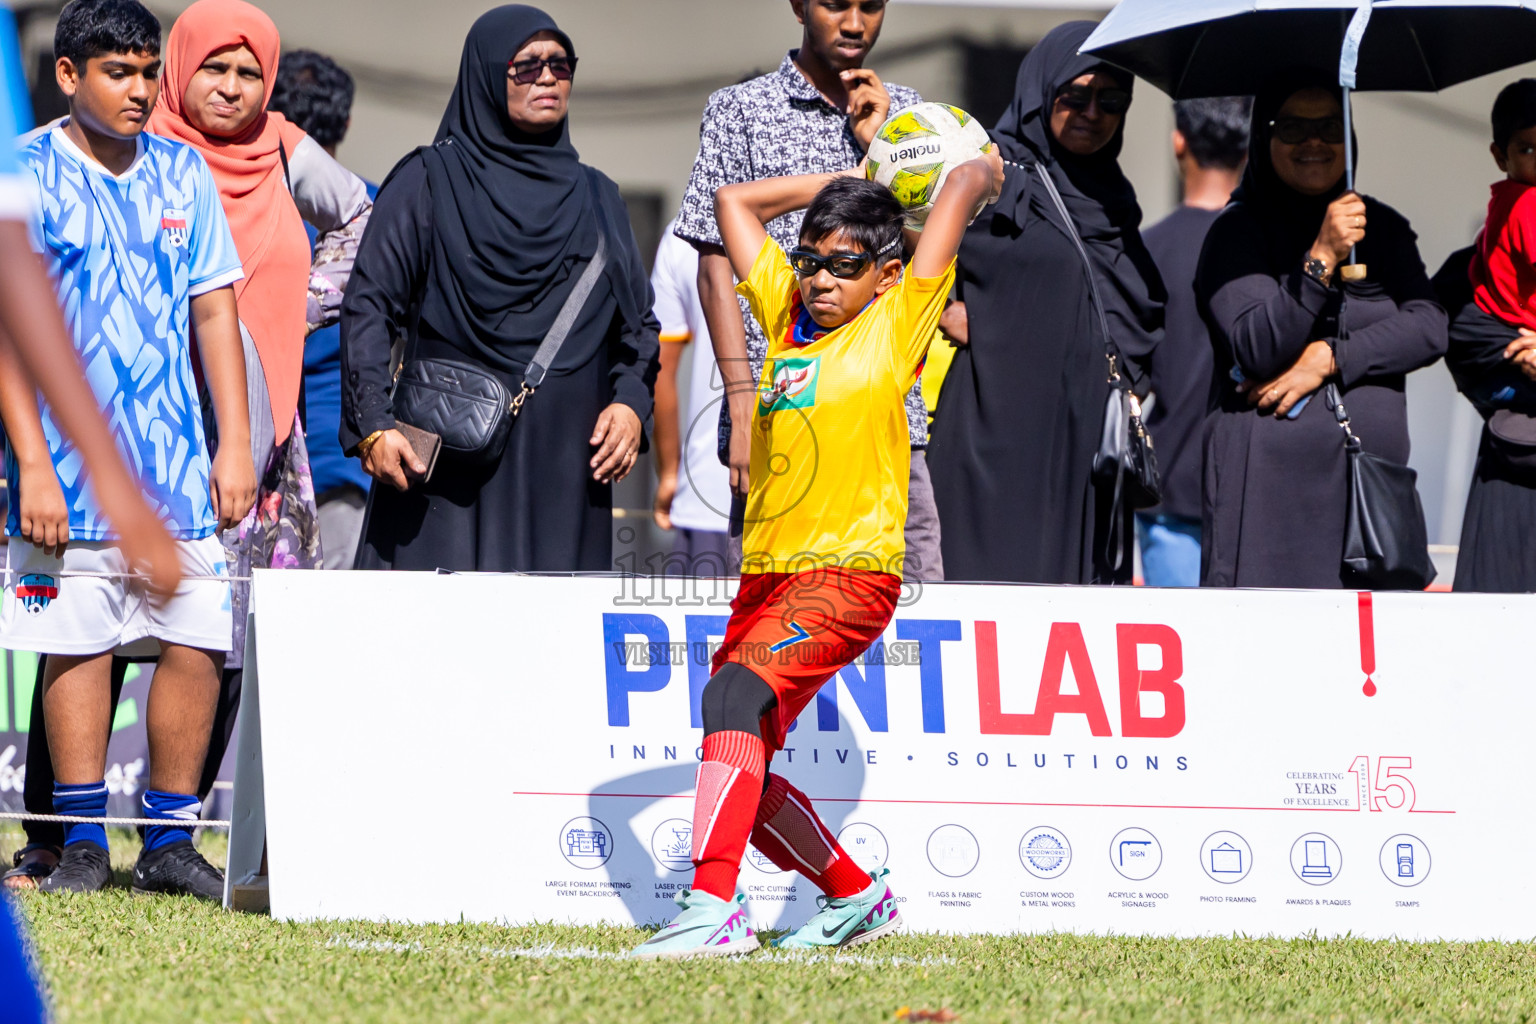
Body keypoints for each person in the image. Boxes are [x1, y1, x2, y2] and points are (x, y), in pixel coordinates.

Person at [632, 150, 1004, 958]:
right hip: (767, 575)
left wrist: (970, 174)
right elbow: (733, 204)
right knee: (743, 758)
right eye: (811, 261)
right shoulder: (785, 315)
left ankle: (710, 908)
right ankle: (853, 897)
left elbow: (965, 186)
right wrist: (839, 185)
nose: (823, 279)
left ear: (886, 273)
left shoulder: (895, 320)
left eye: (845, 265)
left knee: (732, 698)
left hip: (850, 575)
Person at [0, 0, 257, 898]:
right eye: (119, 72)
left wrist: (234, 445)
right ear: (68, 76)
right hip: (62, 469)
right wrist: (30, 459)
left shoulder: (184, 173)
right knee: (77, 642)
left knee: (193, 639)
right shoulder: (20, 169)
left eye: (149, 72)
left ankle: (169, 841)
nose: (142, 90)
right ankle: (76, 842)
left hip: (178, 465)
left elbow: (216, 312)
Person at [145, 0, 373, 798]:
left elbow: (361, 221)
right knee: (106, 624)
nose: (233, 87)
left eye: (250, 72)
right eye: (216, 67)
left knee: (234, 625)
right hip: (145, 420)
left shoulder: (282, 149)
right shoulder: (138, 150)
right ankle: (61, 837)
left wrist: (292, 305)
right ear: (181, 67)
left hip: (257, 439)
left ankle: (185, 823)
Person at [341, 6, 658, 573]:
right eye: (526, 65)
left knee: (551, 649)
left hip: (564, 474)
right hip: (441, 473)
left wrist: (631, 406)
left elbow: (638, 330)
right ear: (487, 75)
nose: (547, 78)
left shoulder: (599, 198)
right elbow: (368, 307)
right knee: (430, 645)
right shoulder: (428, 182)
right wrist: (374, 426)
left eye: (561, 65)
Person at [676, 0, 945, 581]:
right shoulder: (739, 111)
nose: (854, 23)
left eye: (870, 6)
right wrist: (743, 398)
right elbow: (714, 261)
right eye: (834, 4)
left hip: (888, 421)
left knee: (914, 637)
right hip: (779, 415)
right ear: (798, 6)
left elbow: (933, 257)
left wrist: (883, 150)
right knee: (774, 630)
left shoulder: (911, 118)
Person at [927, 22, 1164, 585]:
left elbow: (1136, 311)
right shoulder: (991, 174)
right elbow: (899, 249)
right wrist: (943, 305)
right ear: (1041, 92)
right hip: (997, 439)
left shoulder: (1113, 200)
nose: (1093, 112)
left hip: (1086, 447)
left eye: (1111, 100)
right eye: (1075, 96)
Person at [1196, 73, 1447, 588]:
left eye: (1330, 127)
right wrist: (1321, 257)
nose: (1314, 141)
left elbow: (1429, 327)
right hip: (1271, 506)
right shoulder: (1236, 232)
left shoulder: (1381, 227)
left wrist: (1331, 358)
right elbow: (1257, 346)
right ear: (1264, 139)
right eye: (1292, 127)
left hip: (1369, 501)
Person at [269, 49, 379, 571]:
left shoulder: (247, 211)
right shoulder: (373, 212)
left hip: (251, 461)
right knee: (326, 634)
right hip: (347, 464)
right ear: (348, 120)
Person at [1136, 97, 1250, 587]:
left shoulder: (1146, 251)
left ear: (1178, 140)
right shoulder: (1265, 253)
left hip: (1171, 481)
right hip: (1251, 484)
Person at [1436, 81, 1536, 592]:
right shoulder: (1529, 208)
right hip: (1514, 428)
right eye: (1528, 149)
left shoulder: (1504, 206)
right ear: (1500, 155)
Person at [651, 218, 732, 572]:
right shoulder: (833, 218)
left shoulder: (685, 230)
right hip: (818, 498)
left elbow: (658, 371)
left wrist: (670, 472)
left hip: (708, 490)